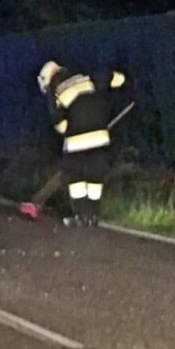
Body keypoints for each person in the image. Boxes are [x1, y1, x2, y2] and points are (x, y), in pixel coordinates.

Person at [37, 59, 126, 227]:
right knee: (95, 177)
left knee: (76, 178)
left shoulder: (57, 93)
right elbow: (114, 79)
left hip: (76, 143)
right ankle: (92, 217)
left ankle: (80, 216)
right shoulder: (85, 79)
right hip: (101, 138)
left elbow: (61, 125)